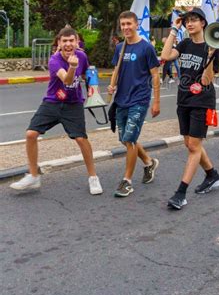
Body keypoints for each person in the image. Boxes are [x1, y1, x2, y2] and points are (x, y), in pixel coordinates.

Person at [10, 27, 103, 195]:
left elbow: (85, 75)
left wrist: (93, 88)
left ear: (77, 42)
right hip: (53, 102)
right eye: (64, 41)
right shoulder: (54, 60)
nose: (68, 44)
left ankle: (93, 177)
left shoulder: (82, 56)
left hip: (73, 104)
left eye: (71, 41)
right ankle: (33, 176)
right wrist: (73, 67)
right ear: (59, 43)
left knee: (81, 139)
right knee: (31, 134)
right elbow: (67, 80)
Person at [160, 7, 219, 210]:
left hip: (202, 101)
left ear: (203, 23)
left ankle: (181, 193)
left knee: (194, 146)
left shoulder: (213, 46)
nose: (190, 23)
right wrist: (173, 29)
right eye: (187, 20)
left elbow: (206, 80)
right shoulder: (186, 43)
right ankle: (212, 175)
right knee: (189, 143)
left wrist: (211, 56)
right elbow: (165, 55)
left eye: (194, 19)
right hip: (183, 98)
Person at [108, 11, 161, 197]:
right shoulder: (120, 47)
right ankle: (148, 162)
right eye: (123, 24)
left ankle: (127, 181)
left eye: (129, 24)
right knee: (125, 139)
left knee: (129, 139)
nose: (126, 27)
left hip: (139, 100)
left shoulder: (146, 48)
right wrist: (112, 85)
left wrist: (156, 102)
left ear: (137, 25)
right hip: (121, 99)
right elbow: (117, 68)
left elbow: (155, 75)